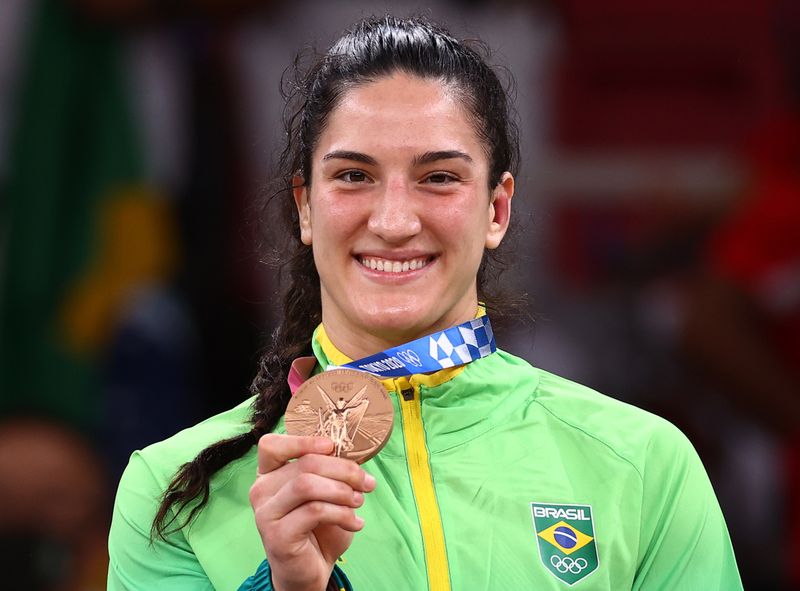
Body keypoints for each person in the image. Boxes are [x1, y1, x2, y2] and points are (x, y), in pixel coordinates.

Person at [107, 16, 743, 591]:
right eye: (353, 176)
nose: (392, 221)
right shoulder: (175, 493)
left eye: (438, 177)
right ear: (305, 207)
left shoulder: (641, 464)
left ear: (496, 209)